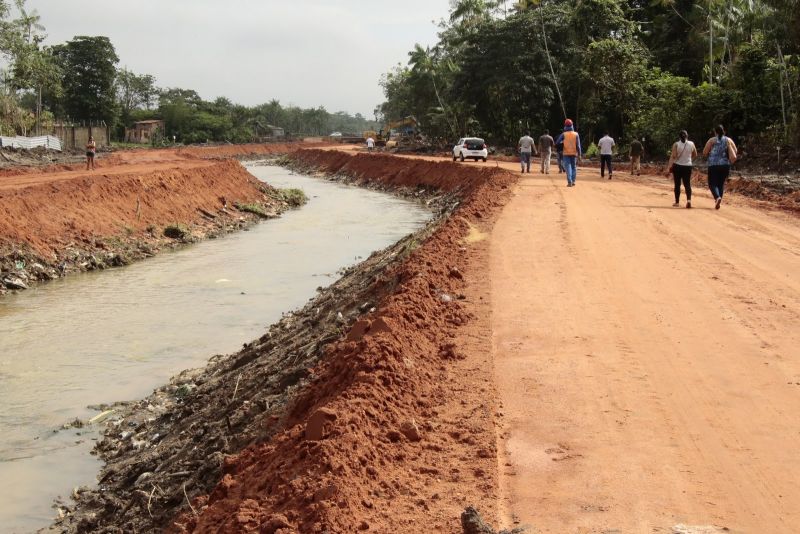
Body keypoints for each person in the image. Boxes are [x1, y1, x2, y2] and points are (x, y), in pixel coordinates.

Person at [702, 124, 738, 210]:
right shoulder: (728, 140)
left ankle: (717, 197)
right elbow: (735, 151)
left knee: (712, 183)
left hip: (713, 165)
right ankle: (719, 200)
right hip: (725, 165)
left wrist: (710, 153)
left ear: (715, 132)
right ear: (724, 131)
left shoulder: (712, 140)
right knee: (720, 184)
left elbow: (705, 152)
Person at [666, 130, 697, 208]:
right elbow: (695, 154)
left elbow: (673, 156)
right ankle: (689, 200)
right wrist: (689, 159)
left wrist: (669, 167)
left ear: (679, 137)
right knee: (687, 184)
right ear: (687, 136)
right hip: (688, 166)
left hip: (678, 166)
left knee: (677, 184)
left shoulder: (676, 144)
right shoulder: (691, 144)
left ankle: (677, 202)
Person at [556, 119, 582, 186]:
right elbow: (578, 146)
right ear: (572, 125)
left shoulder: (563, 134)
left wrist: (563, 142)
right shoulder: (576, 134)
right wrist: (579, 155)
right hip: (574, 153)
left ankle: (569, 181)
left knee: (568, 168)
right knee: (574, 167)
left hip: (566, 153)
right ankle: (573, 181)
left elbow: (557, 142)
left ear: (565, 125)